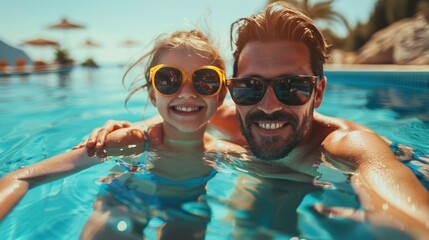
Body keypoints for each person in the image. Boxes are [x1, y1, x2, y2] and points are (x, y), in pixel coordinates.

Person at [80, 2, 429, 237]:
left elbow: (403, 213)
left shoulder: (346, 146)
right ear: (231, 92)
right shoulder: (233, 119)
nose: (269, 105)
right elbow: (181, 116)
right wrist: (132, 131)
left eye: (292, 87)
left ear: (318, 93)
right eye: (250, 87)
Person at [0, 29, 244, 239]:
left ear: (221, 96)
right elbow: (22, 177)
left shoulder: (225, 153)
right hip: (124, 201)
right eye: (168, 79)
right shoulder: (132, 141)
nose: (188, 92)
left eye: (206, 80)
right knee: (113, 226)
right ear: (152, 94)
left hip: (187, 207)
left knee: (192, 222)